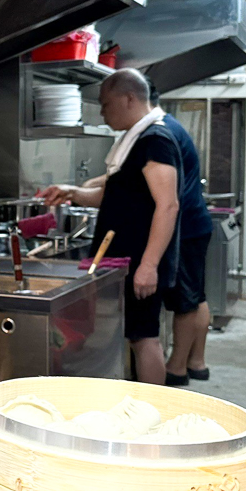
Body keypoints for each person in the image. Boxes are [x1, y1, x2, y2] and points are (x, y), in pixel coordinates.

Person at [40, 69, 181, 384]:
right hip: (123, 262)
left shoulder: (154, 140)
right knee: (135, 336)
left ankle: (152, 419)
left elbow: (168, 205)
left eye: (105, 104)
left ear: (129, 98)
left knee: (145, 338)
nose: (102, 112)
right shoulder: (133, 142)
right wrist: (73, 193)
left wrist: (149, 265)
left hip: (137, 262)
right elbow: (113, 196)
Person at [149, 85, 213, 386]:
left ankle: (176, 368)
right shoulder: (172, 126)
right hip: (195, 224)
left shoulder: (160, 133)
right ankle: (196, 362)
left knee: (187, 301)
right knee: (196, 296)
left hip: (184, 229)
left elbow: (165, 195)